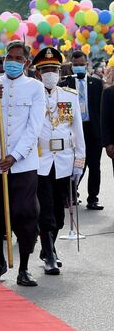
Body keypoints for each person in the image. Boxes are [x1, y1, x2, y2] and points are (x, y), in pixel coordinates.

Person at [0, 41, 45, 286]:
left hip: (22, 163)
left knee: (24, 213)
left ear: (25, 62)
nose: (11, 62)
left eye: (17, 58)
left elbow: (34, 128)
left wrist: (15, 156)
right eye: (8, 57)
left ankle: (24, 267)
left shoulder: (35, 88)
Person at [32, 47, 85, 275]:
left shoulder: (69, 96)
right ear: (37, 73)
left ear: (60, 71)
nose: (50, 73)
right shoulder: (33, 95)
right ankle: (50, 254)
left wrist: (79, 162)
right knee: (45, 210)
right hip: (40, 160)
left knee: (60, 213)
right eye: (45, 70)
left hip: (64, 161)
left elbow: (77, 131)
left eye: (53, 69)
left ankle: (48, 247)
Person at [60, 51, 104, 210]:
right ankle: (71, 194)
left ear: (87, 64)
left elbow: (101, 110)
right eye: (75, 65)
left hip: (93, 132)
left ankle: (93, 198)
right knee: (76, 164)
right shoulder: (64, 85)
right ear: (71, 65)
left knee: (94, 165)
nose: (78, 67)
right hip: (74, 132)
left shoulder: (97, 83)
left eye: (81, 64)